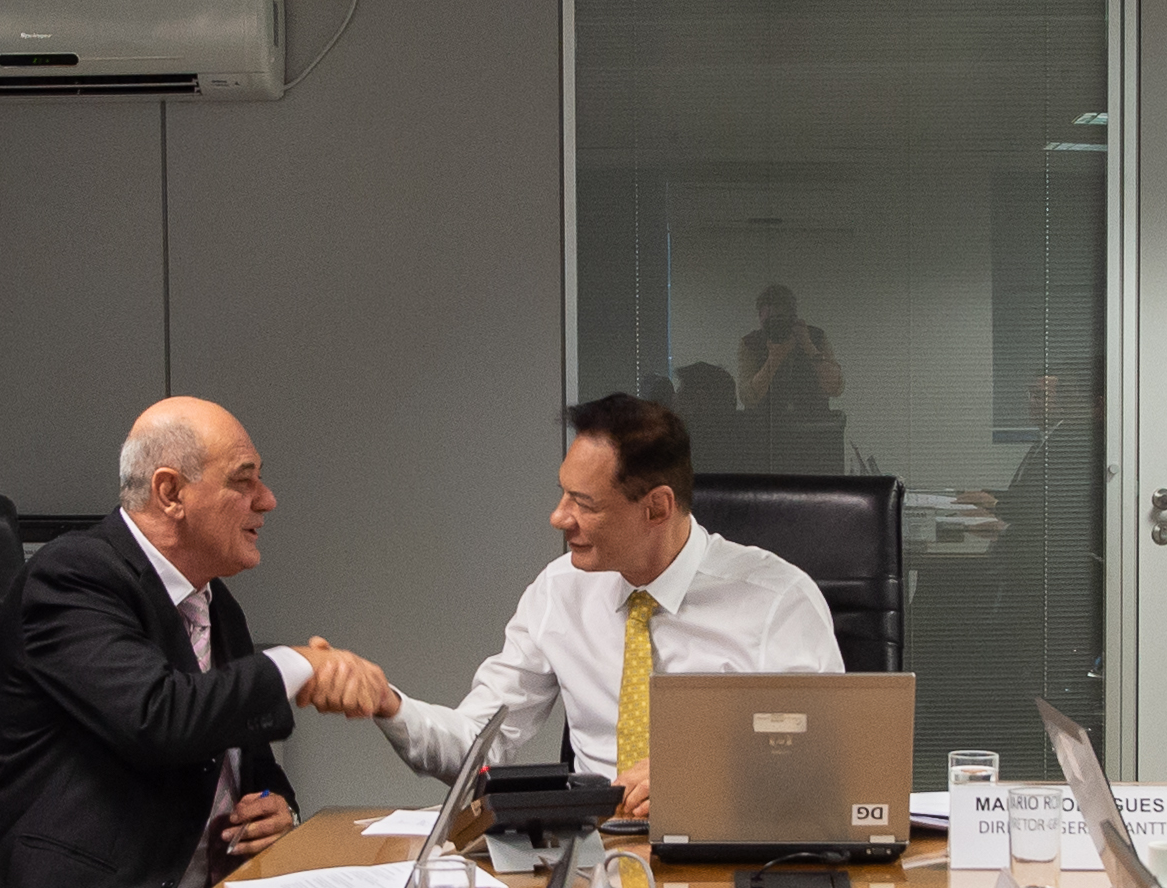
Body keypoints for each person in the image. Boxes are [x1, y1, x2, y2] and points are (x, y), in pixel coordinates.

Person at [0, 397, 389, 888]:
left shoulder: (214, 604)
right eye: (244, 480)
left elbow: (249, 761)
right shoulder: (73, 577)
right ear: (170, 493)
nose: (268, 501)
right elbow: (159, 718)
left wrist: (276, 808)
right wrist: (297, 665)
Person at [348, 393, 842, 817]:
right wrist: (390, 705)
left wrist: (699, 776)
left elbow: (822, 760)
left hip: (727, 852)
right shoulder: (559, 591)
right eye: (563, 494)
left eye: (584, 504)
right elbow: (481, 743)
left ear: (657, 508)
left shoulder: (777, 601)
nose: (558, 517)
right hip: (596, 855)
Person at [736, 284, 844, 413]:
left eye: (781, 319)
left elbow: (835, 388)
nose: (776, 326)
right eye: (770, 321)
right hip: (764, 422)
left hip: (812, 420)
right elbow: (747, 397)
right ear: (760, 318)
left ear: (794, 318)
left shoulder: (816, 337)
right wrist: (774, 360)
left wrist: (809, 346)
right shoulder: (750, 343)